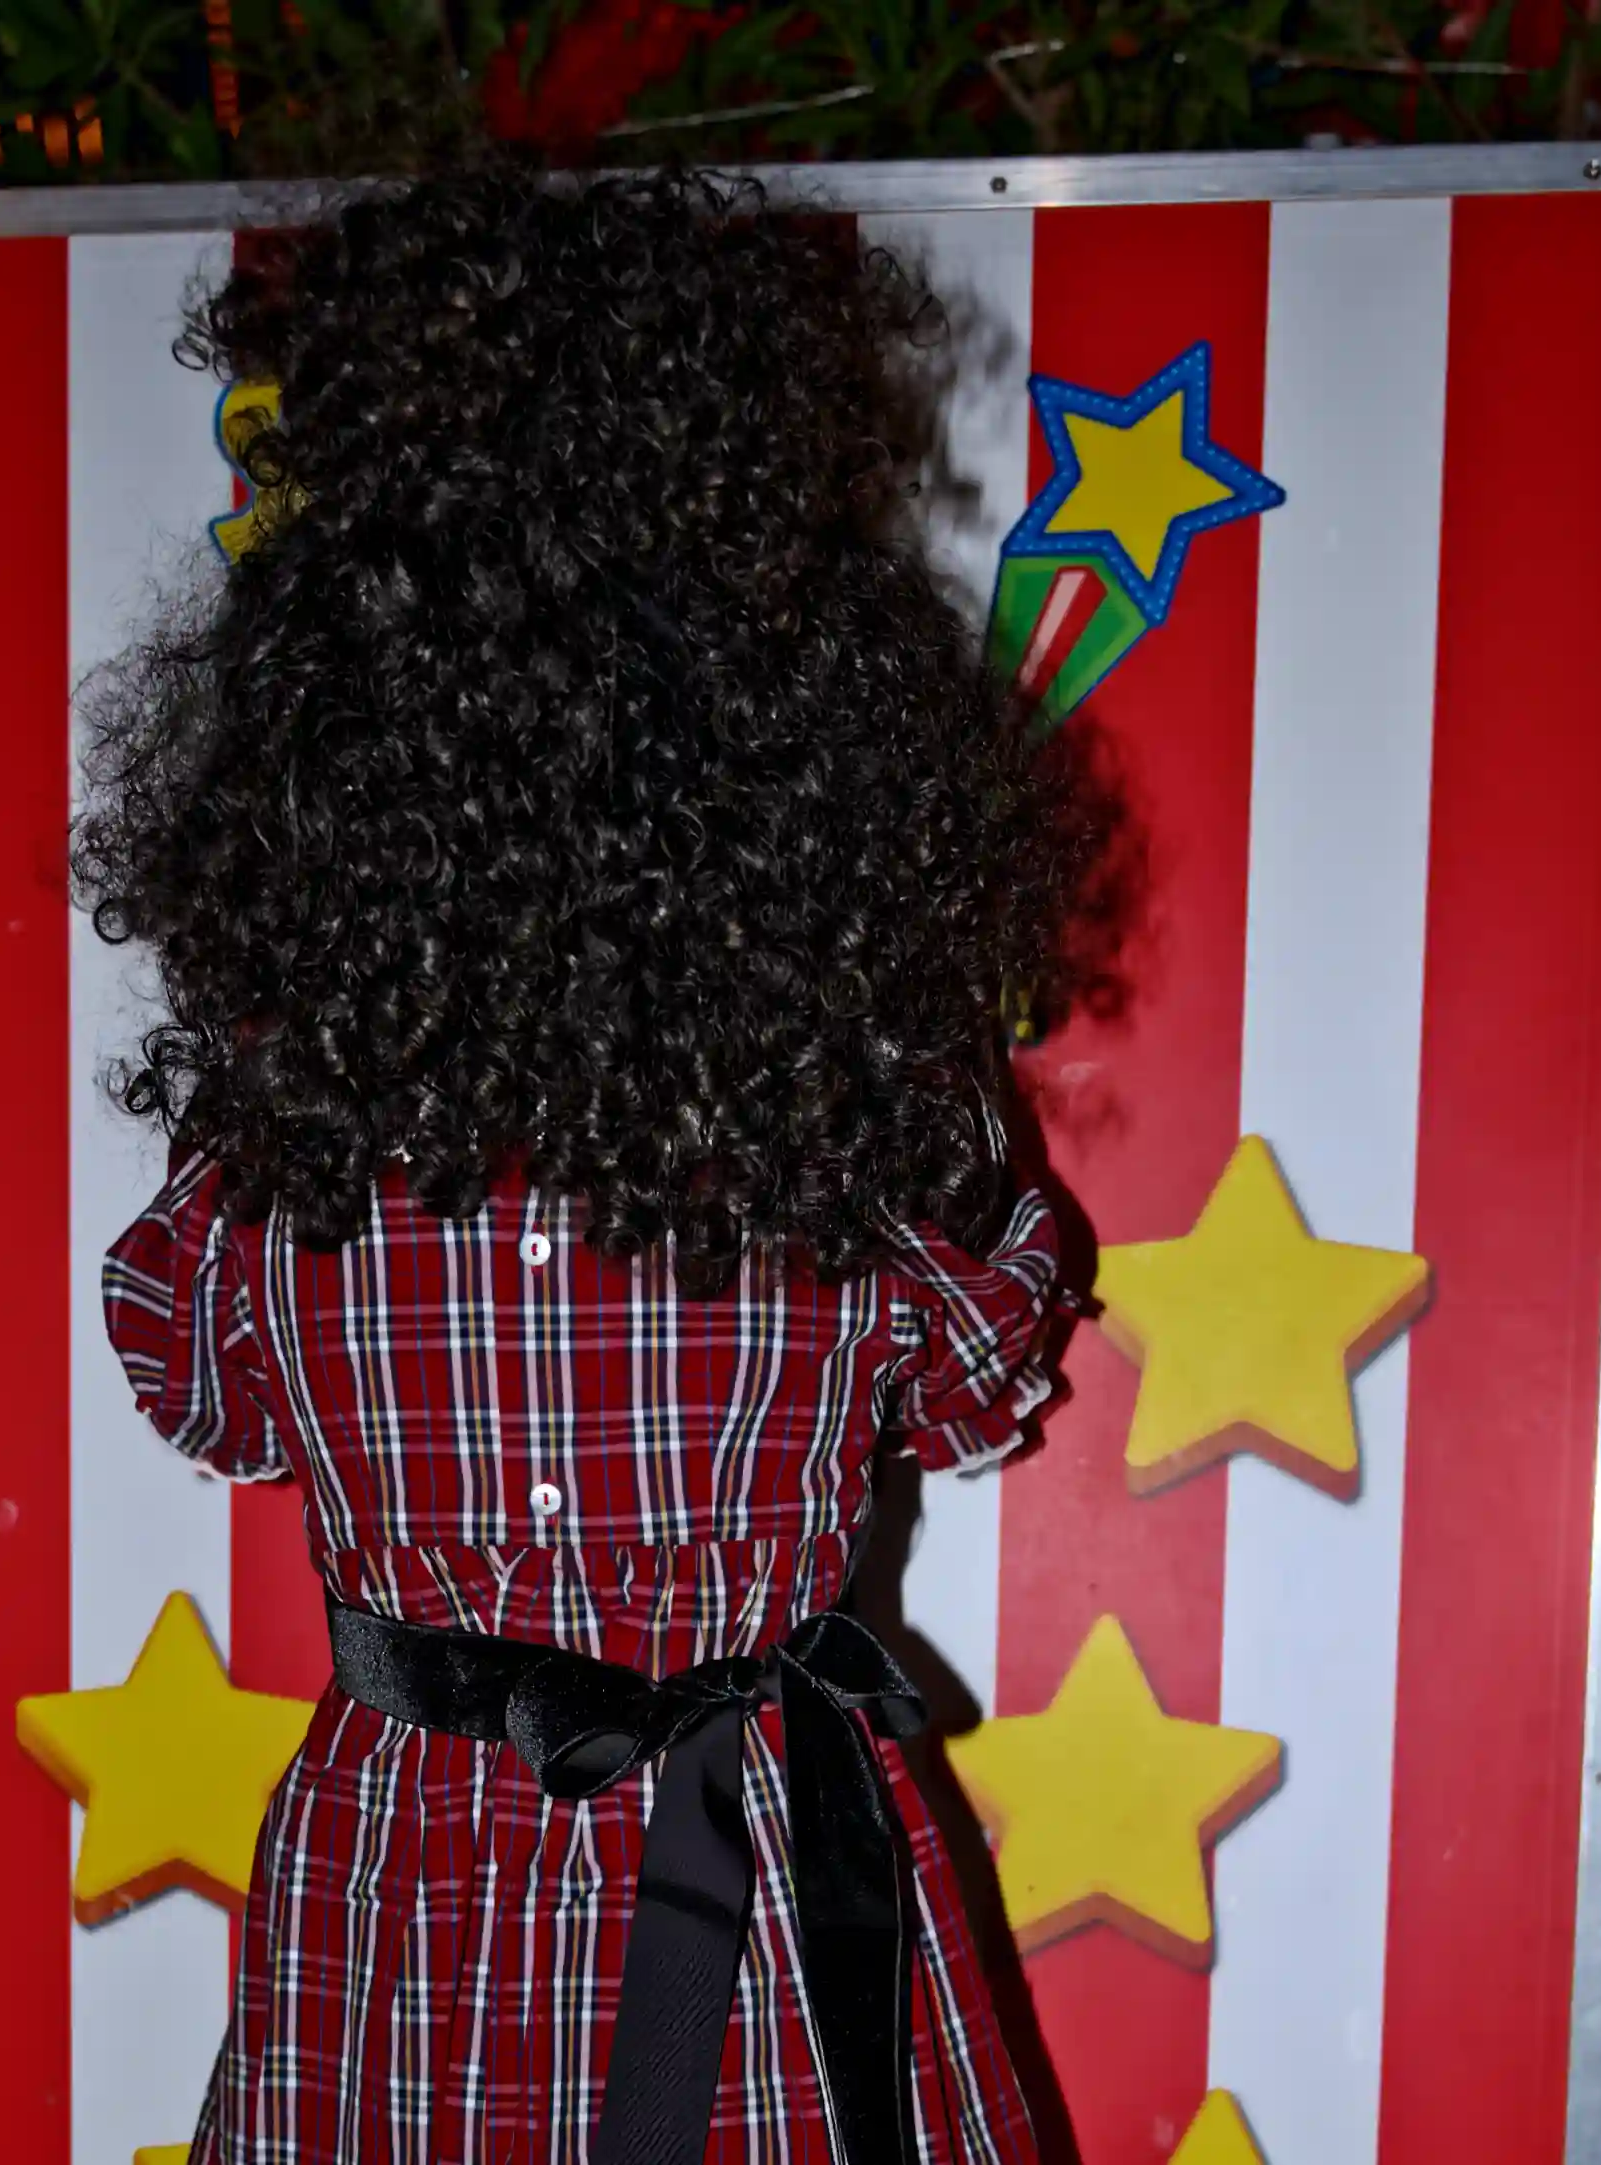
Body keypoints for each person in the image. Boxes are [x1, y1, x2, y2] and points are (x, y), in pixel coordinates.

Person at [73, 162, 1129, 2165]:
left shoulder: (289, 1126)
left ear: (341, 695)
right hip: (762, 1883)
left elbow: (201, 1387)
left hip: (412, 1911)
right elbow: (981, 1383)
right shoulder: (872, 1106)